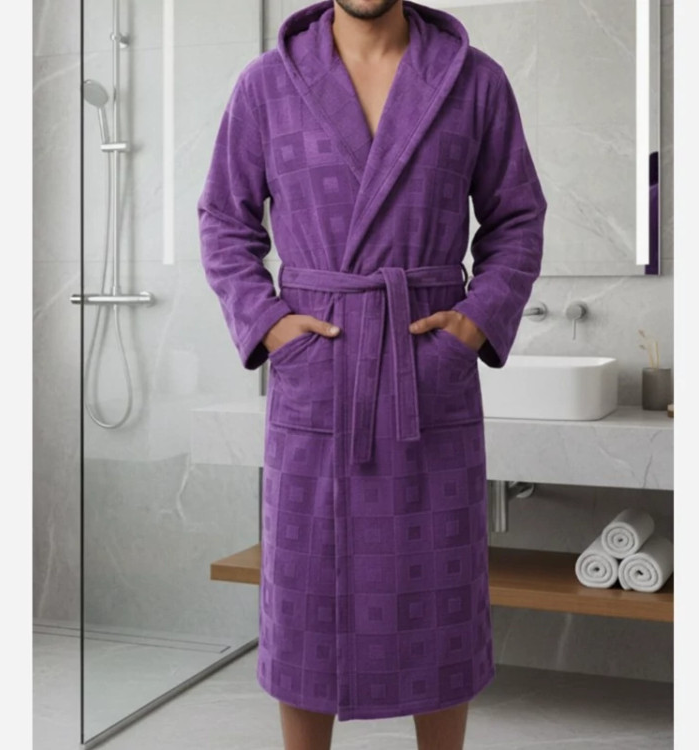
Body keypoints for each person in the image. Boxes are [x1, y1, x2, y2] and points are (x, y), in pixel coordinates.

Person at [197, 1, 547, 748]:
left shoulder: (473, 81)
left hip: (427, 373)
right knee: (305, 600)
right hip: (320, 375)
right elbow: (223, 220)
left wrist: (473, 322)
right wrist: (272, 326)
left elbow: (517, 219)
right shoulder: (266, 84)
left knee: (439, 598)